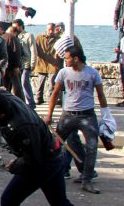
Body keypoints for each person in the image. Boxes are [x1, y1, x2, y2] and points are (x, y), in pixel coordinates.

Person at [45, 46, 108, 193]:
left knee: (92, 147)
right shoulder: (63, 72)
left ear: (76, 58)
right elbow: (55, 93)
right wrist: (49, 115)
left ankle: (87, 180)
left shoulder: (92, 73)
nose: (65, 60)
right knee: (54, 145)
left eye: (67, 58)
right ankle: (52, 173)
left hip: (87, 115)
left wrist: (106, 115)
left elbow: (101, 94)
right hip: (68, 115)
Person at [0, 22, 25, 101]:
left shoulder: (9, 37)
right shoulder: (2, 38)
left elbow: (16, 51)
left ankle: (20, 104)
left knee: (15, 87)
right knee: (9, 87)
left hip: (11, 67)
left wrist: (16, 66)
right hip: (7, 67)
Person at [12, 19, 37, 109]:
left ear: (20, 26)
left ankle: (31, 103)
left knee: (24, 82)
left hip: (26, 63)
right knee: (18, 84)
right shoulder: (15, 36)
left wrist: (33, 63)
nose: (15, 28)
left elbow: (33, 50)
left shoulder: (28, 35)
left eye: (16, 26)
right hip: (18, 64)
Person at [34, 22, 60, 105]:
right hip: (42, 62)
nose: (51, 31)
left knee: (52, 82)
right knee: (40, 82)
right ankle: (38, 98)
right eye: (49, 30)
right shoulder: (39, 37)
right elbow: (34, 49)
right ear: (46, 29)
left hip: (54, 63)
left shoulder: (58, 38)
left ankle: (51, 99)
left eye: (52, 30)